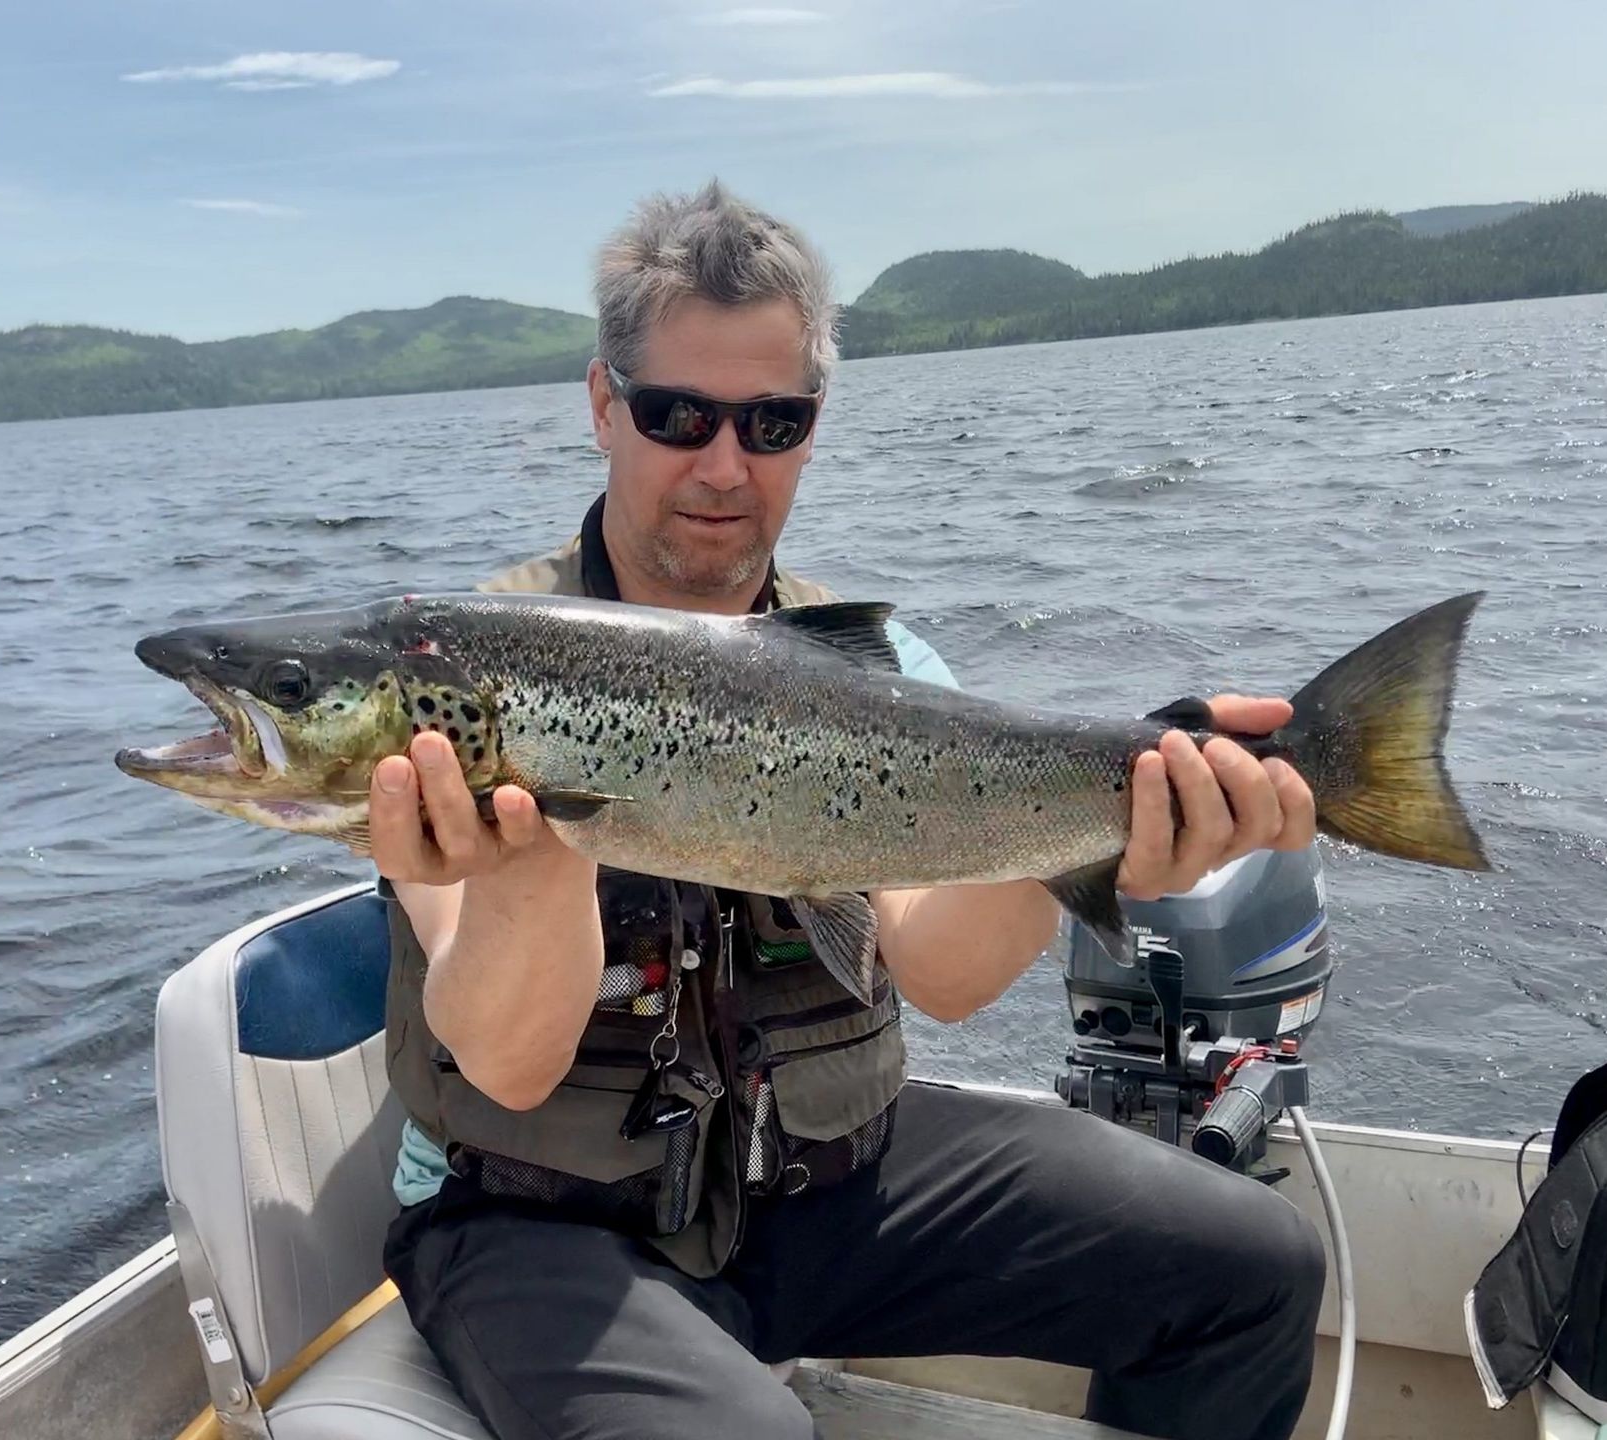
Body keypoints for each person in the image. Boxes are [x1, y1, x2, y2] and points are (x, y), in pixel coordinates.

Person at [370, 180, 1327, 1440]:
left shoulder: (882, 676)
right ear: (604, 406)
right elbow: (506, 1058)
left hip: (817, 1186)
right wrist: (538, 864)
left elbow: (944, 972)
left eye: (771, 422)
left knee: (1252, 1264)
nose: (724, 465)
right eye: (677, 415)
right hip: (537, 1226)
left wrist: (1104, 831)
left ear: (813, 428)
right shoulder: (471, 673)